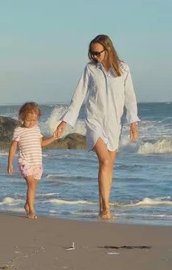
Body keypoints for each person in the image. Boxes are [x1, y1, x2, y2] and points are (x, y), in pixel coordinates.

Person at [55, 34, 139, 220]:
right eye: (91, 53)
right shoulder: (90, 69)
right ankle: (107, 208)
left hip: (114, 124)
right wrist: (65, 121)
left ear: (107, 50)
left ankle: (102, 206)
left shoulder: (123, 69)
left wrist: (133, 122)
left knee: (108, 166)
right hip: (94, 121)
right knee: (105, 161)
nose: (94, 56)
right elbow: (78, 97)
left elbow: (130, 97)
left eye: (97, 53)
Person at [7, 102, 60, 219]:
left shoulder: (36, 129)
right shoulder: (18, 130)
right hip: (25, 162)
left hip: (37, 163)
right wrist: (10, 163)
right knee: (31, 185)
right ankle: (31, 210)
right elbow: (13, 147)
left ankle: (27, 204)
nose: (31, 123)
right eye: (28, 120)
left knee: (33, 187)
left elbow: (41, 143)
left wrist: (53, 138)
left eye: (34, 120)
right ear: (22, 117)